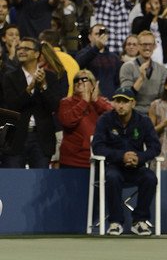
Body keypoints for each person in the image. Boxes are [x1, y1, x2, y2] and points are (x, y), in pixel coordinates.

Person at [92, 85, 161, 236]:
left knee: (150, 178)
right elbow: (97, 147)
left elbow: (155, 147)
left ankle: (140, 221)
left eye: (125, 101)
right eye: (117, 101)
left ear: (133, 103)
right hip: (114, 166)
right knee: (112, 177)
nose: (121, 105)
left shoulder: (144, 121)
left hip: (136, 167)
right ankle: (116, 222)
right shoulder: (105, 120)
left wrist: (139, 158)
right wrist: (121, 156)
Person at [0, 37, 64, 168]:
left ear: (36, 54)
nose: (21, 51)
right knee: (14, 179)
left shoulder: (50, 77)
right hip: (15, 138)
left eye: (26, 48)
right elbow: (11, 106)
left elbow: (54, 106)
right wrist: (29, 89)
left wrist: (43, 86)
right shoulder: (9, 77)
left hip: (41, 139)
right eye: (19, 48)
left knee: (39, 179)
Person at [57, 69, 112, 168]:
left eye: (84, 79)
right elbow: (67, 121)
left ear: (93, 84)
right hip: (72, 160)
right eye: (76, 80)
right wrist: (84, 102)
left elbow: (114, 118)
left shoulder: (101, 102)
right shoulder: (66, 102)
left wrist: (96, 101)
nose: (79, 82)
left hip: (98, 158)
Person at [119, 30, 167, 116]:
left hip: (155, 113)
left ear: (155, 46)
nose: (147, 48)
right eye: (144, 44)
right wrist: (141, 78)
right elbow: (126, 96)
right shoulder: (127, 67)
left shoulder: (162, 70)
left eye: (150, 45)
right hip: (134, 114)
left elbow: (162, 97)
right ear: (138, 46)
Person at [75, 24, 122, 99]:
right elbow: (79, 64)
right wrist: (97, 48)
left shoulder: (114, 58)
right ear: (90, 37)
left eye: (102, 34)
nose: (100, 36)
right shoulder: (82, 53)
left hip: (110, 101)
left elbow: (118, 82)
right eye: (97, 34)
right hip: (90, 100)